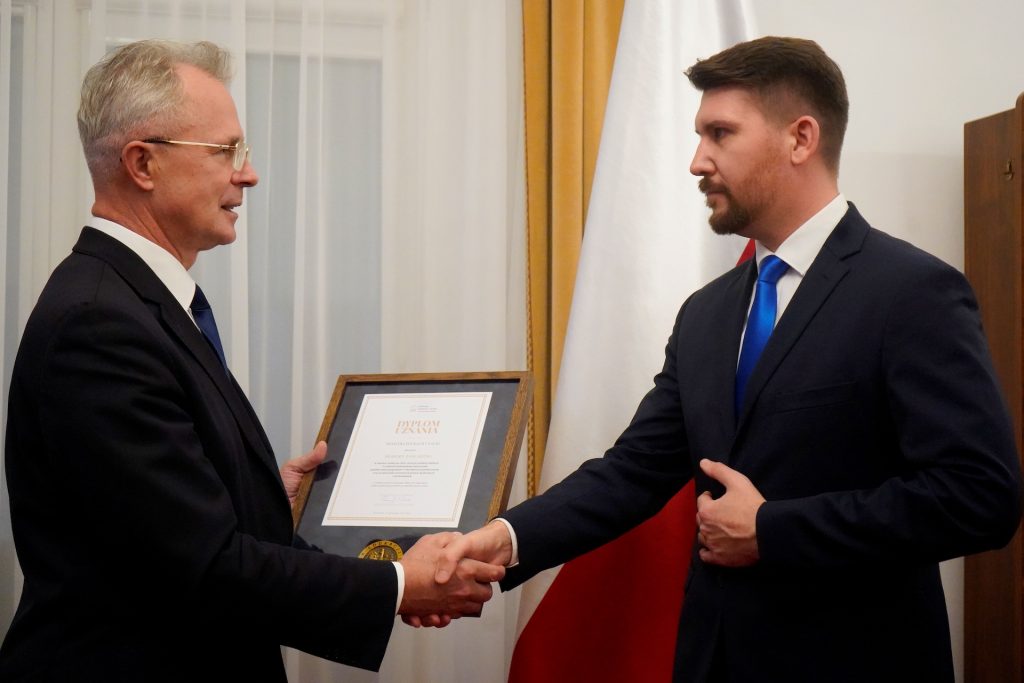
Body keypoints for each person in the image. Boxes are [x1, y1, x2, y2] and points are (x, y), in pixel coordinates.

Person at [432, 36, 1023, 682]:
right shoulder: (705, 314)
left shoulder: (911, 293)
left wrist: (775, 528)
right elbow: (631, 472)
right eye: (699, 135)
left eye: (719, 133)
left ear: (800, 139)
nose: (696, 161)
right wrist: (505, 539)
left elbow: (981, 495)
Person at [0, 39, 502, 681]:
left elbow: (160, 517)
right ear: (142, 164)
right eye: (224, 152)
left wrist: (262, 490)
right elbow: (205, 567)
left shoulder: (131, 301)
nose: (248, 174)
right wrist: (400, 584)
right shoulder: (99, 325)